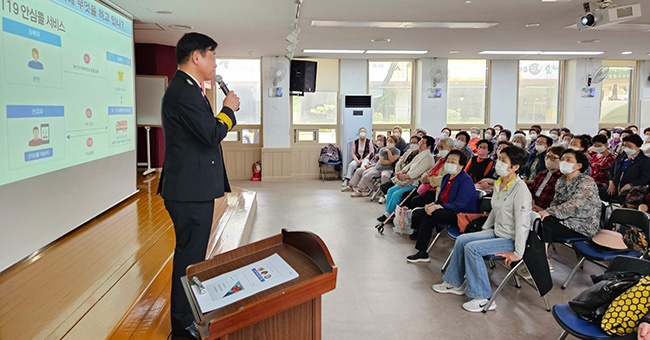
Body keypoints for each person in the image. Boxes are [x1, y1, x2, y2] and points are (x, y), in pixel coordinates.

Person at [158, 32, 240, 340]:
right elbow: (210, 134)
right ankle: (182, 327)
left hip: (191, 188)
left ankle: (188, 315)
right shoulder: (184, 91)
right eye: (212, 55)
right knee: (189, 257)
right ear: (197, 57)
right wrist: (229, 109)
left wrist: (224, 115)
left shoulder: (190, 88)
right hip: (188, 191)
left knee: (191, 254)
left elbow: (206, 132)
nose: (215, 62)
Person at [431, 146, 531, 313]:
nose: (499, 163)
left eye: (504, 161)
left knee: (473, 249)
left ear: (515, 167)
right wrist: (482, 231)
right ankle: (453, 283)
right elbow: (495, 210)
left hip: (510, 239)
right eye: (499, 159)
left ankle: (483, 298)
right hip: (497, 231)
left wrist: (518, 252)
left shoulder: (520, 190)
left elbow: (523, 223)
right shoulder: (500, 183)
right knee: (463, 239)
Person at [406, 149, 479, 262]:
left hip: (462, 214)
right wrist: (433, 204)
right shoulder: (446, 177)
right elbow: (441, 199)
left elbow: (460, 205)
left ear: (461, 165)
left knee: (430, 215)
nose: (449, 163)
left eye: (453, 161)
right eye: (448, 161)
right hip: (448, 210)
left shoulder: (465, 180)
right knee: (422, 212)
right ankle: (422, 251)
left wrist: (438, 207)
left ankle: (422, 252)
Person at [537, 150, 601, 270]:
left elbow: (575, 204)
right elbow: (556, 202)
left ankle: (542, 260)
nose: (563, 162)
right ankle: (538, 257)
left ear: (579, 166)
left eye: (568, 159)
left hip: (582, 224)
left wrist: (549, 212)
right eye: (562, 159)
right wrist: (546, 212)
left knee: (544, 223)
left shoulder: (586, 181)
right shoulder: (561, 180)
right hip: (564, 219)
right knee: (537, 221)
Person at [377, 136, 435, 222]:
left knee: (396, 194)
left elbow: (417, 172)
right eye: (420, 142)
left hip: (414, 183)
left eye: (422, 143)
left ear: (429, 146)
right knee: (390, 191)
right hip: (406, 181)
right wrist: (402, 172)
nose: (420, 144)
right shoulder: (419, 154)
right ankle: (389, 213)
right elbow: (409, 165)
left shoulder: (428, 158)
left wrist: (405, 176)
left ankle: (388, 215)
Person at [601, 134, 650, 203]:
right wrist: (611, 181)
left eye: (629, 146)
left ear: (638, 146)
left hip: (631, 193)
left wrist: (631, 184)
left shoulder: (645, 161)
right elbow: (611, 169)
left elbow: (645, 177)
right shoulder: (621, 157)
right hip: (614, 189)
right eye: (625, 146)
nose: (626, 148)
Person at [529, 146, 564, 211]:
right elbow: (531, 190)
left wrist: (544, 210)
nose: (548, 159)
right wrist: (532, 203)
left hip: (547, 210)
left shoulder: (562, 178)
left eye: (553, 158)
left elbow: (559, 202)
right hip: (533, 205)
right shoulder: (542, 173)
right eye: (547, 156)